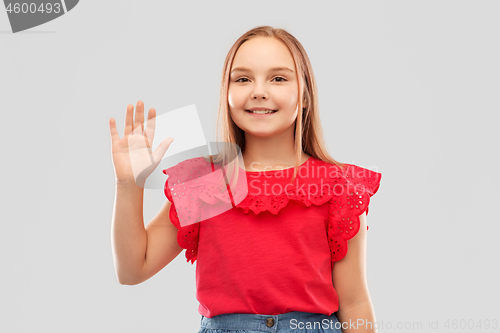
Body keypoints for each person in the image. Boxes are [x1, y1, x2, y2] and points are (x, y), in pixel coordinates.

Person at [109, 25, 382, 333]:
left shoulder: (337, 185)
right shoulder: (205, 182)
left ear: (305, 95)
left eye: (278, 78)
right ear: (226, 94)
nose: (258, 91)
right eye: (242, 79)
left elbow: (355, 302)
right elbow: (133, 268)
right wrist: (129, 184)